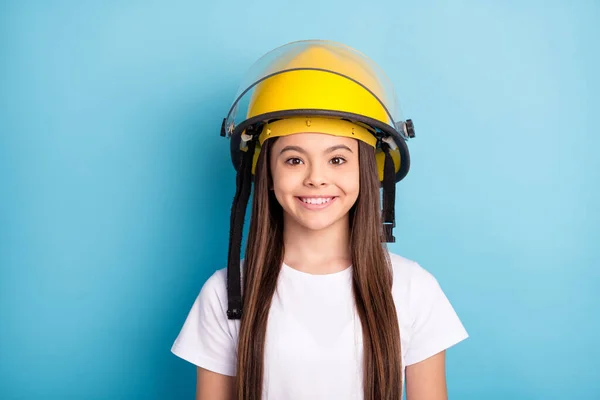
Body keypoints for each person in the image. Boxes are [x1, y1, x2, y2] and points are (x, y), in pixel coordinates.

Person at [171, 40, 468, 400]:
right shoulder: (226, 293)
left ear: (366, 170)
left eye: (337, 160)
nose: (316, 178)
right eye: (294, 160)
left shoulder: (412, 289)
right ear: (267, 171)